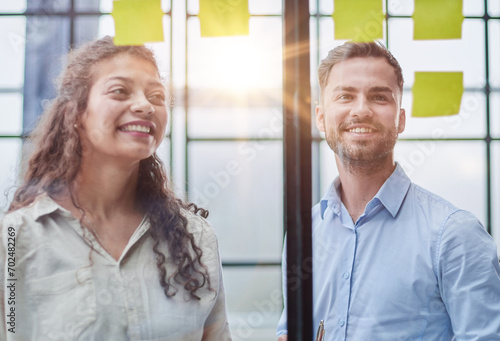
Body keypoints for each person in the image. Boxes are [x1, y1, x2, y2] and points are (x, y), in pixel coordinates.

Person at [0, 36, 231, 340]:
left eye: (157, 96)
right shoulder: (16, 237)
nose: (144, 105)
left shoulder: (196, 238)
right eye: (120, 91)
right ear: (77, 113)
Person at [276, 41, 500, 340]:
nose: (361, 110)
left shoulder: (455, 234)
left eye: (379, 97)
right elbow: (289, 329)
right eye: (345, 95)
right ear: (320, 117)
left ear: (401, 119)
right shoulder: (304, 232)